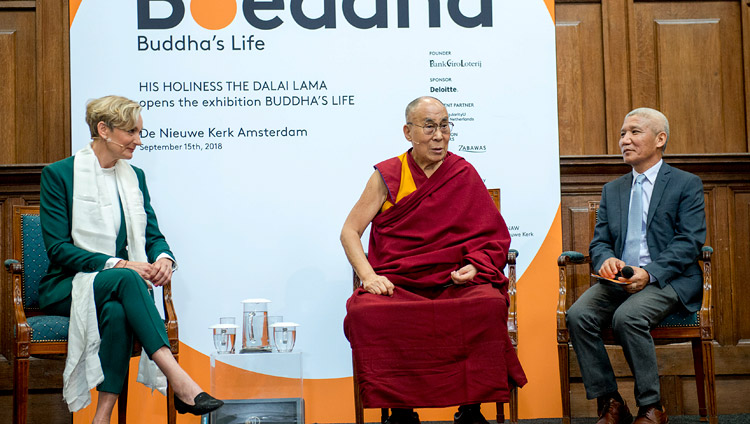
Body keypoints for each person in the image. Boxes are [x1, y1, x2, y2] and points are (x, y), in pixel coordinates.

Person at [341, 96, 526, 424]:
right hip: (401, 282)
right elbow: (349, 231)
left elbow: (491, 238)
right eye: (429, 127)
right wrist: (369, 276)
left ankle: (471, 409)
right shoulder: (388, 175)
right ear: (408, 131)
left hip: (452, 281)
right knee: (366, 311)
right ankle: (400, 411)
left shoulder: (462, 174)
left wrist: (476, 265)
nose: (439, 135)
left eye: (444, 126)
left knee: (486, 305)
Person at [39, 95, 223, 423]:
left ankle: (102, 417)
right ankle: (179, 380)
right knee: (127, 277)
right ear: (103, 129)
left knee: (116, 311)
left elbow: (152, 234)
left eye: (140, 132)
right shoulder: (59, 175)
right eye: (131, 133)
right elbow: (58, 249)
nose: (138, 141)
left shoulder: (134, 177)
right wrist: (121, 264)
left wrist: (164, 258)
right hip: (66, 286)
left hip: (115, 291)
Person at [566, 108, 706, 424]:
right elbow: (599, 243)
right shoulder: (612, 189)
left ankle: (651, 406)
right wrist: (605, 260)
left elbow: (690, 241)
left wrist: (650, 272)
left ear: (660, 139)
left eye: (634, 132)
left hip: (668, 279)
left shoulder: (686, 184)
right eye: (622, 134)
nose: (625, 140)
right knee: (578, 315)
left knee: (627, 317)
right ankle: (611, 402)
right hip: (620, 280)